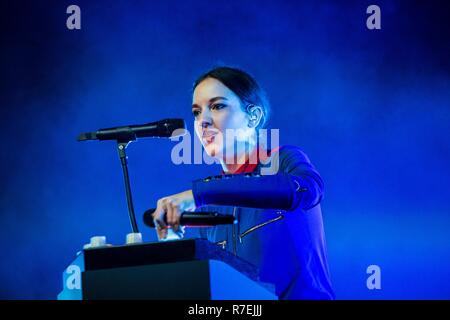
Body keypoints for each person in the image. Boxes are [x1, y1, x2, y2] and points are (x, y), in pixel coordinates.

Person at [152, 66, 335, 300]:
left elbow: (309, 189)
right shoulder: (208, 202)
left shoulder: (284, 161)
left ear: (254, 116)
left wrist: (198, 194)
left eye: (217, 106)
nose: (202, 122)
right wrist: (171, 249)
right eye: (196, 112)